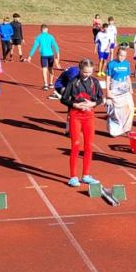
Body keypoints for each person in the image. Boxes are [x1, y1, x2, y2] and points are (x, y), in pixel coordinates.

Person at [60, 59, 104, 187]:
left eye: (90, 72)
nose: (87, 74)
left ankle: (86, 175)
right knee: (76, 145)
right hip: (76, 116)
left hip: (89, 116)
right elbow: (64, 99)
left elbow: (100, 98)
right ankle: (73, 177)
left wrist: (93, 103)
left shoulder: (94, 82)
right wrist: (75, 105)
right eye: (85, 72)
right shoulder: (73, 82)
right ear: (80, 70)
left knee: (89, 146)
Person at [105, 46, 134, 137]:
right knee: (115, 111)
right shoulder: (111, 64)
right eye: (121, 55)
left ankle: (127, 129)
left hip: (125, 88)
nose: (122, 57)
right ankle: (114, 129)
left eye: (124, 56)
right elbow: (108, 78)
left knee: (130, 108)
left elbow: (128, 77)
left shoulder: (127, 64)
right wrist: (108, 91)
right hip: (114, 88)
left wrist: (131, 87)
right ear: (117, 54)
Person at [27, 24, 61, 90]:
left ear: (41, 29)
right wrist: (58, 56)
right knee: (51, 68)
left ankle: (45, 84)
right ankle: (51, 83)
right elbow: (56, 47)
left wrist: (30, 56)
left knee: (44, 69)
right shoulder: (51, 36)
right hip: (51, 55)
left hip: (43, 55)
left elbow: (34, 47)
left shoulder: (38, 37)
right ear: (47, 29)